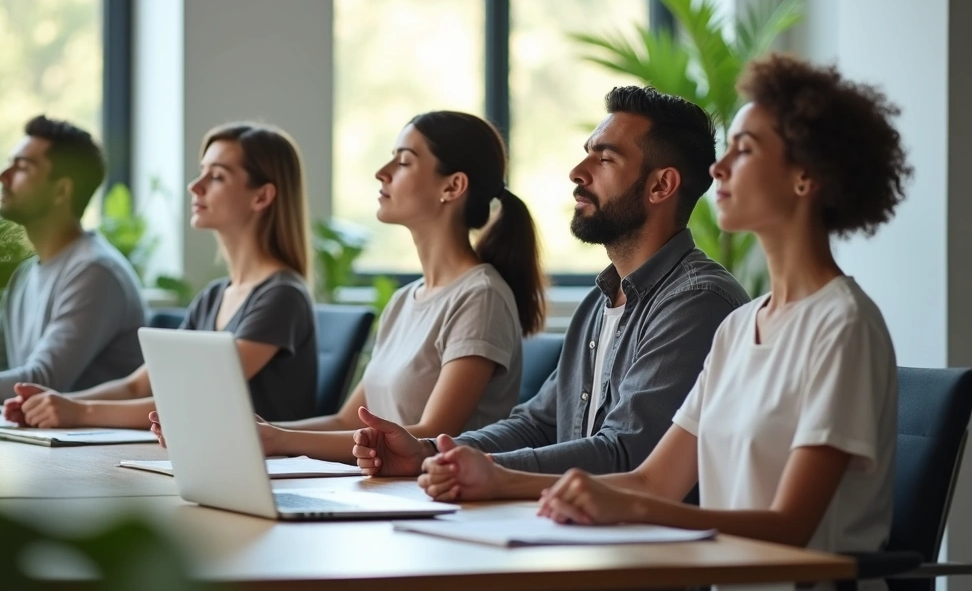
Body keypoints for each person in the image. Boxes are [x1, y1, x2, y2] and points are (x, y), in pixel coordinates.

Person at [536, 55, 908, 571]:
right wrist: (494, 479)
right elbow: (652, 479)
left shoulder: (842, 326)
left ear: (806, 176)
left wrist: (626, 506)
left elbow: (790, 527)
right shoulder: (738, 326)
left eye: (745, 149)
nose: (717, 168)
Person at [354, 87, 750, 499]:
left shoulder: (697, 302)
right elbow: (537, 424)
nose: (578, 171)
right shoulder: (599, 303)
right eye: (587, 153)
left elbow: (627, 454)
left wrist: (481, 469)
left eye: (605, 158)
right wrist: (429, 451)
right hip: (581, 535)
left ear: (661, 185)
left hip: (659, 552)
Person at [152, 111, 546, 463]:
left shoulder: (481, 296)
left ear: (453, 186)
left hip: (439, 503)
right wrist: (241, 434)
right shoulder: (403, 301)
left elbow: (429, 437)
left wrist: (275, 439)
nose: (383, 171)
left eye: (404, 161)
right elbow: (346, 420)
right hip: (386, 493)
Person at [3, 122, 318, 428]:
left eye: (217, 176)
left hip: (267, 475)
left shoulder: (282, 296)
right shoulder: (213, 296)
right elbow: (137, 387)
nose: (195, 185)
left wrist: (79, 411)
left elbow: (194, 401)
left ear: (261, 197)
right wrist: (53, 401)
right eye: (201, 171)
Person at [0, 115, 146, 404]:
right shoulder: (26, 273)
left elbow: (41, 381)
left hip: (88, 447)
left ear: (61, 191)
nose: (2, 176)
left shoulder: (94, 271)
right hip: (39, 441)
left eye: (22, 167)